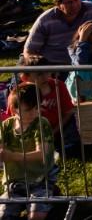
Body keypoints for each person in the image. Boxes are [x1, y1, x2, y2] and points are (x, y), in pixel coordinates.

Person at [1, 82, 55, 219]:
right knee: (4, 216)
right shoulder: (6, 126)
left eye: (37, 107)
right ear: (14, 110)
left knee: (36, 216)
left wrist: (12, 156)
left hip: (40, 181)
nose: (34, 112)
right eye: (28, 110)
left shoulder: (41, 123)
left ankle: (51, 192)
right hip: (14, 183)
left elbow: (41, 154)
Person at [22, 0, 92, 66]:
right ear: (58, 4)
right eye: (69, 2)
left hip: (85, 63)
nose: (74, 5)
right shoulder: (45, 21)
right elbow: (29, 51)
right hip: (53, 67)